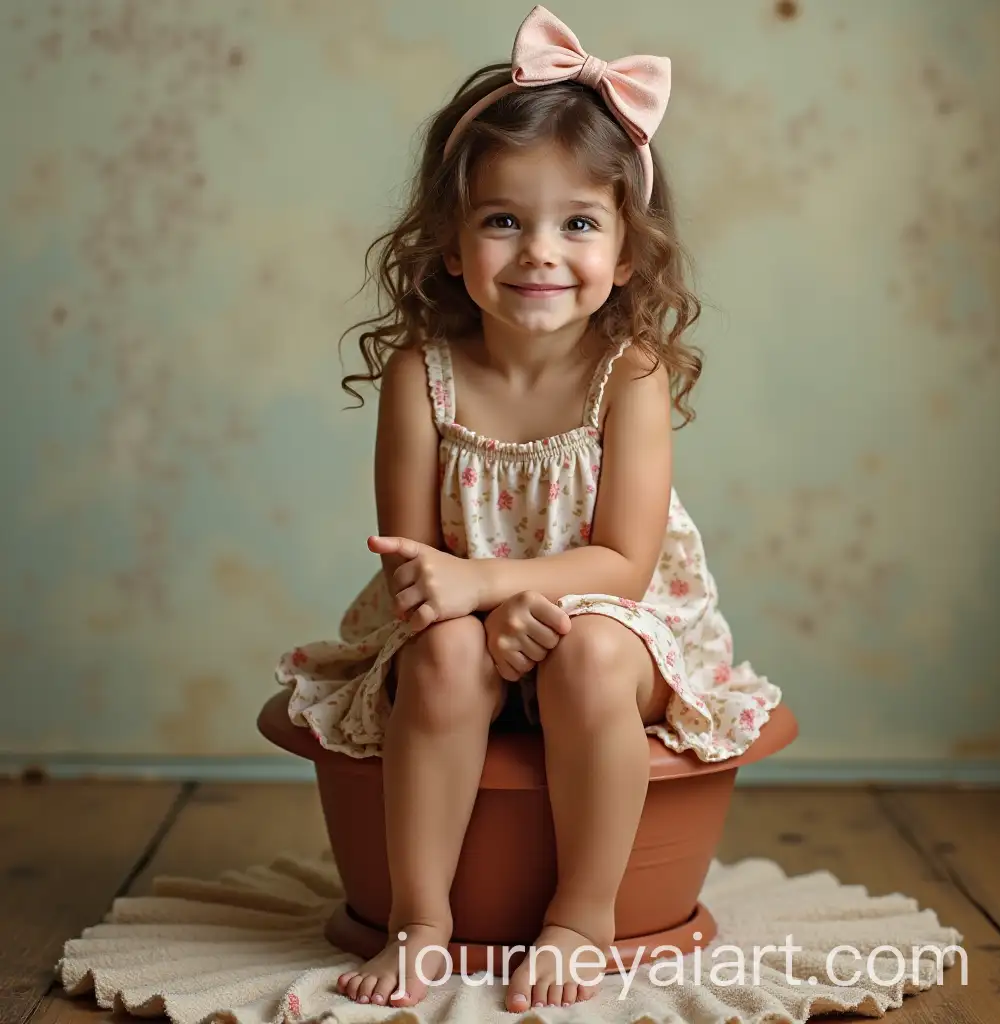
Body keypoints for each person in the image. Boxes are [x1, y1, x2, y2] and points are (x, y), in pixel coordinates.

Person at [275, 5, 781, 1012]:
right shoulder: (423, 372)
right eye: (503, 220)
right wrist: (475, 609)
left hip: (615, 630)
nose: (539, 251)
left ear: (628, 253)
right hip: (456, 624)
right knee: (443, 651)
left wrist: (503, 590)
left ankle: (581, 913)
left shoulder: (625, 373)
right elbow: (411, 557)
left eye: (578, 223)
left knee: (589, 647)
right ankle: (419, 921)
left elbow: (624, 564)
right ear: (452, 249)